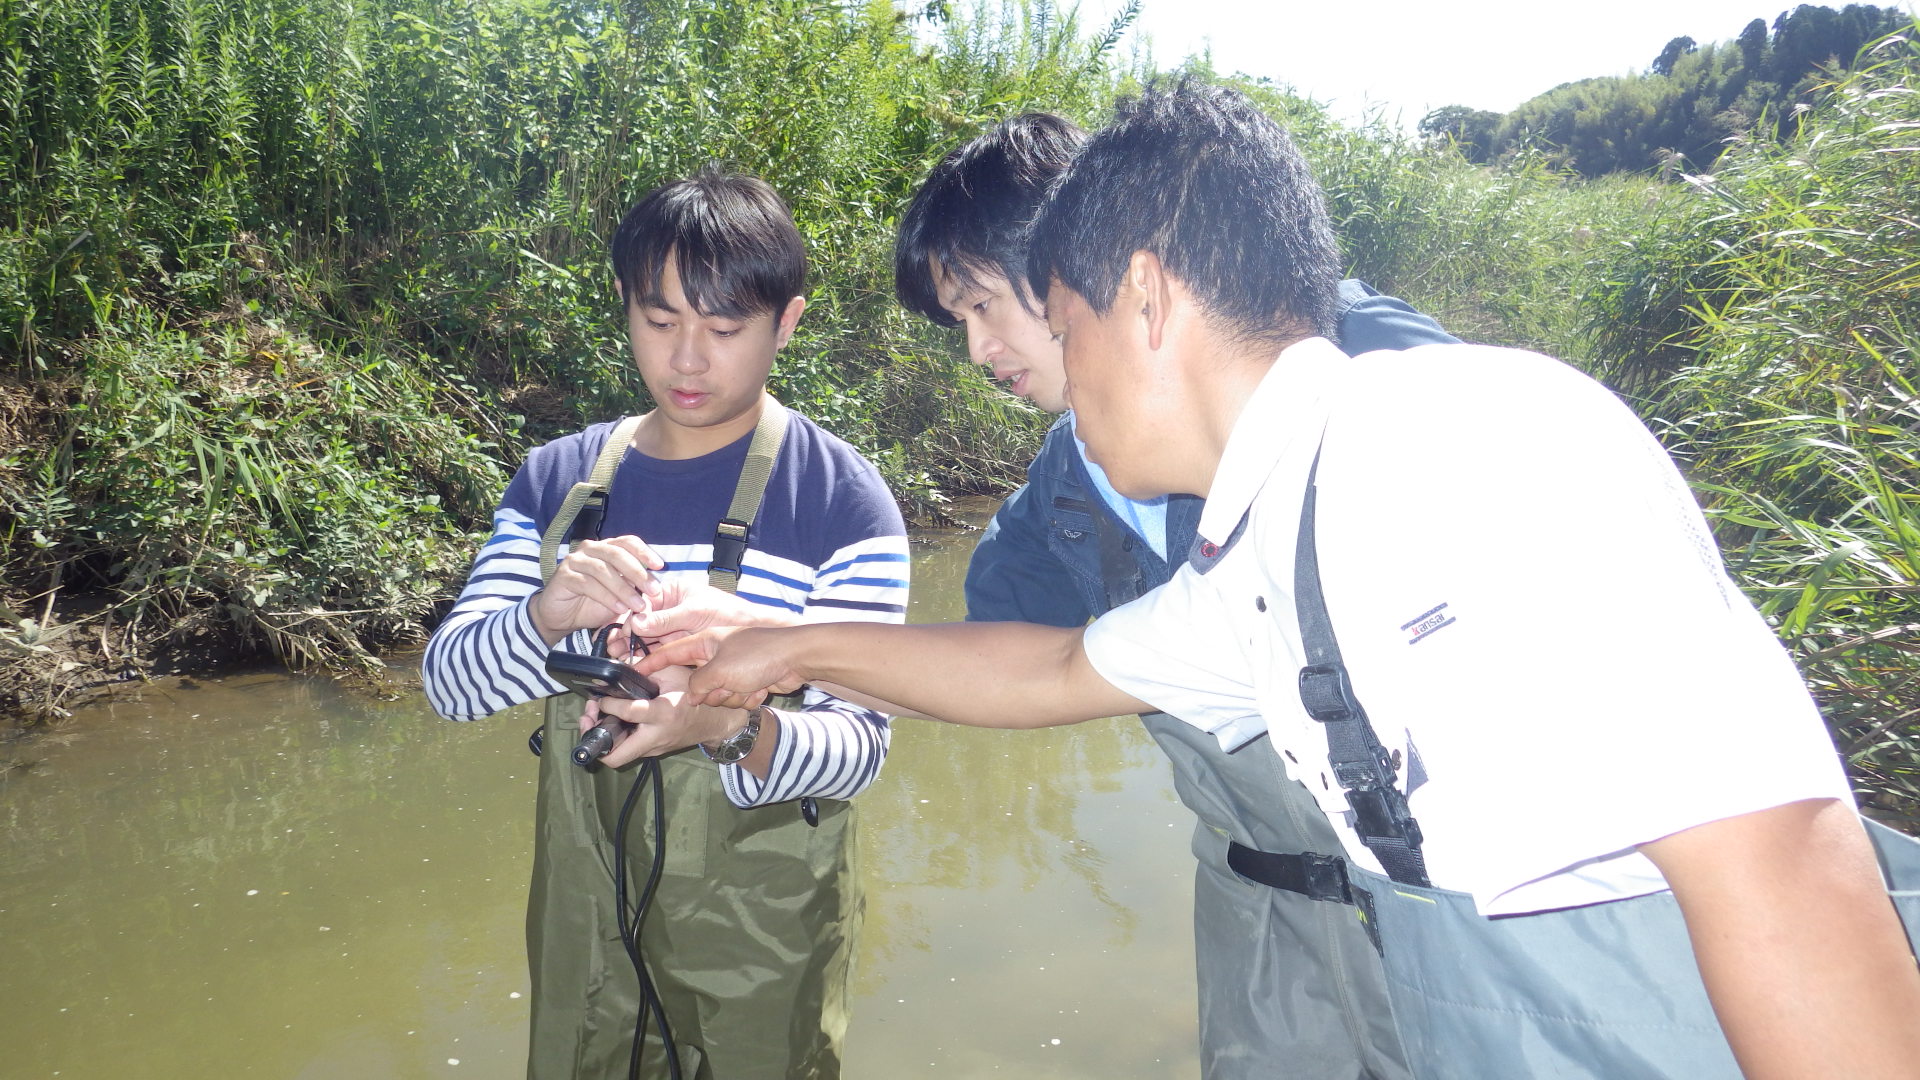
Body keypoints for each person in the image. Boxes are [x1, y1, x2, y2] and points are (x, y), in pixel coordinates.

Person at [645, 85, 1920, 1078]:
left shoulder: (1463, 437)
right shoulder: (1249, 558)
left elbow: (1784, 876)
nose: (1008, 364)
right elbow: (1043, 667)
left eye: (1041, 313)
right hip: (1409, 962)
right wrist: (773, 647)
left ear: (1138, 294)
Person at [892, 112, 1454, 1078]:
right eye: (960, 325)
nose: (979, 352)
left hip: (1438, 904)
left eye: (985, 307)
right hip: (1258, 917)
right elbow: (988, 663)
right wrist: (755, 663)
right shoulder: (1056, 501)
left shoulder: (1356, 354)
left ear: (1080, 263)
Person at [421, 166, 909, 1080]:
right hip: (586, 928)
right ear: (623, 304)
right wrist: (544, 613)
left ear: (786, 324)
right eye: (659, 321)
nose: (688, 359)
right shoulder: (555, 483)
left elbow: (860, 747)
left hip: (763, 936)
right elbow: (449, 688)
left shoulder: (843, 500)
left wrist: (732, 719)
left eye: (724, 330)